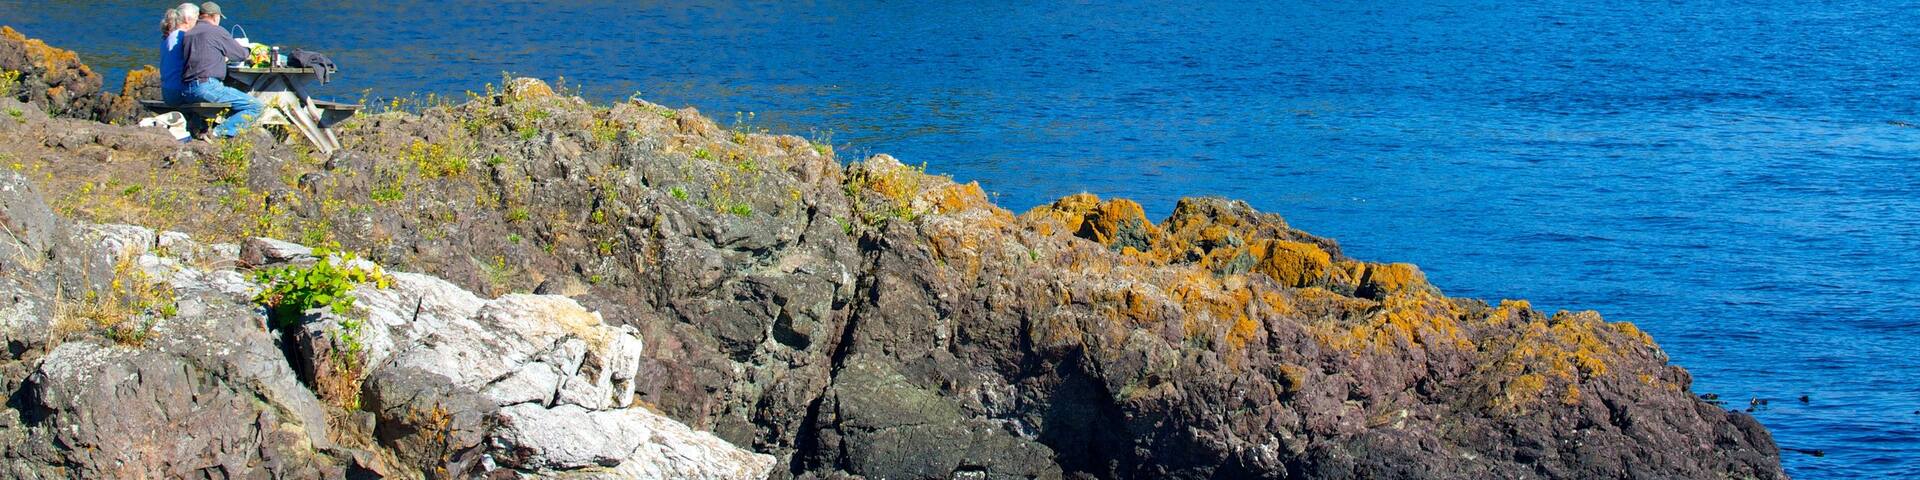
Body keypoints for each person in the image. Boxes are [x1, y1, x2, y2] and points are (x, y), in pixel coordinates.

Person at [179, 1, 262, 138]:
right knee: (255, 106)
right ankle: (218, 134)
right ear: (215, 16)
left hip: (187, 90)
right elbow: (241, 54)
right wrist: (249, 50)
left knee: (233, 104)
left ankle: (206, 131)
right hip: (208, 87)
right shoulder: (216, 31)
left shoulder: (189, 34)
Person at [158, 3, 199, 104]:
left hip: (167, 92)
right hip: (180, 92)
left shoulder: (168, 38)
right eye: (197, 18)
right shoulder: (185, 37)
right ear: (187, 19)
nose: (198, 23)